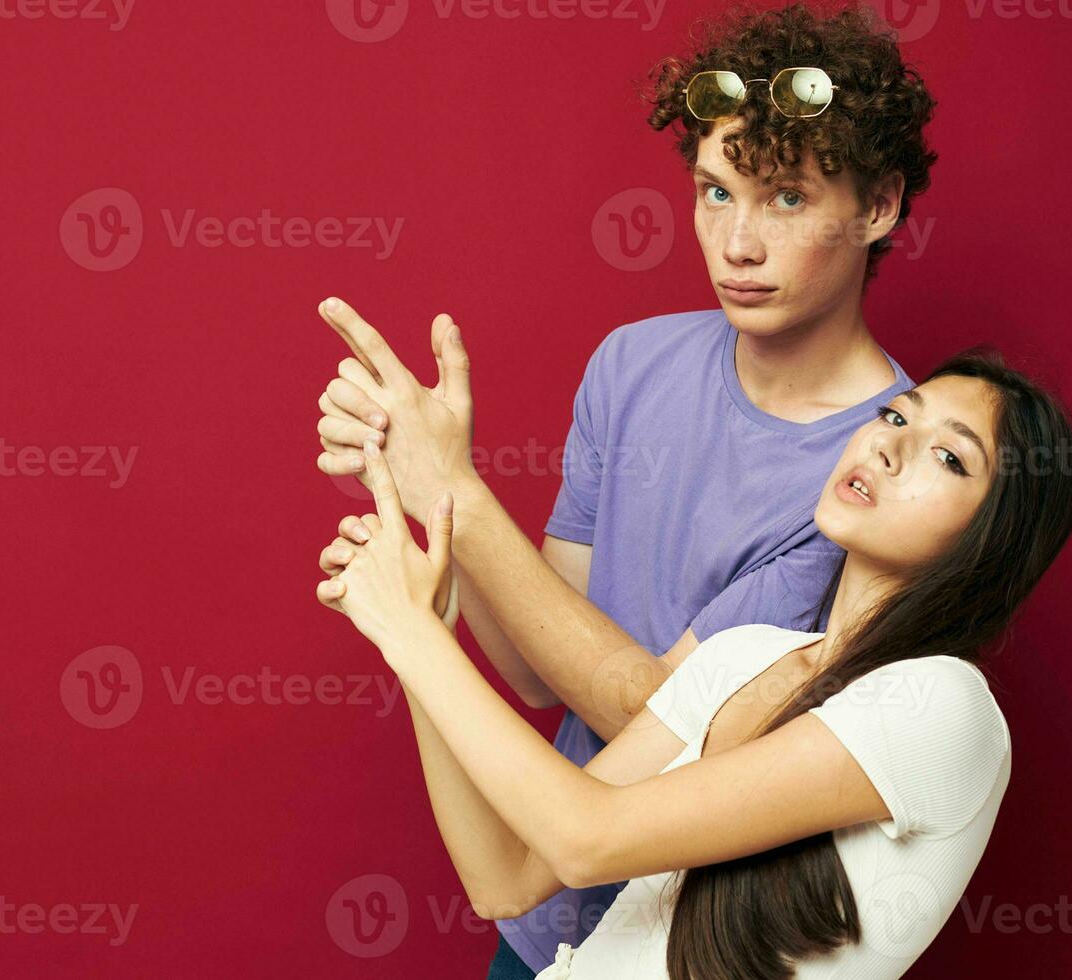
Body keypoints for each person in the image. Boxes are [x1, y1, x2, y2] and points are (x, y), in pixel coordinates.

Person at [313, 4, 938, 974]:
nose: (735, 242)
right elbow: (533, 672)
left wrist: (462, 494)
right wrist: (423, 484)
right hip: (539, 915)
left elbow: (665, 716)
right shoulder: (633, 363)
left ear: (879, 203)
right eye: (713, 191)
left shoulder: (883, 469)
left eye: (783, 198)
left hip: (692, 946)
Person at [316, 347, 1072, 978]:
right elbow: (506, 880)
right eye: (894, 415)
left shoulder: (945, 707)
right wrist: (421, 636)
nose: (886, 444)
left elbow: (587, 840)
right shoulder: (741, 656)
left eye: (948, 457)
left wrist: (409, 631)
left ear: (993, 541)